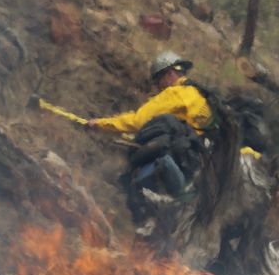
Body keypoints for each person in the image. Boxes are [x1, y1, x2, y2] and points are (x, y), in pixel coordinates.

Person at [87, 51, 215, 229]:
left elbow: (137, 121)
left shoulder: (175, 94)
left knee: (141, 174)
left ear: (170, 73)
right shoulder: (200, 95)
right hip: (203, 161)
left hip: (182, 158)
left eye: (158, 80)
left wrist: (100, 124)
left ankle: (149, 215)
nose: (157, 86)